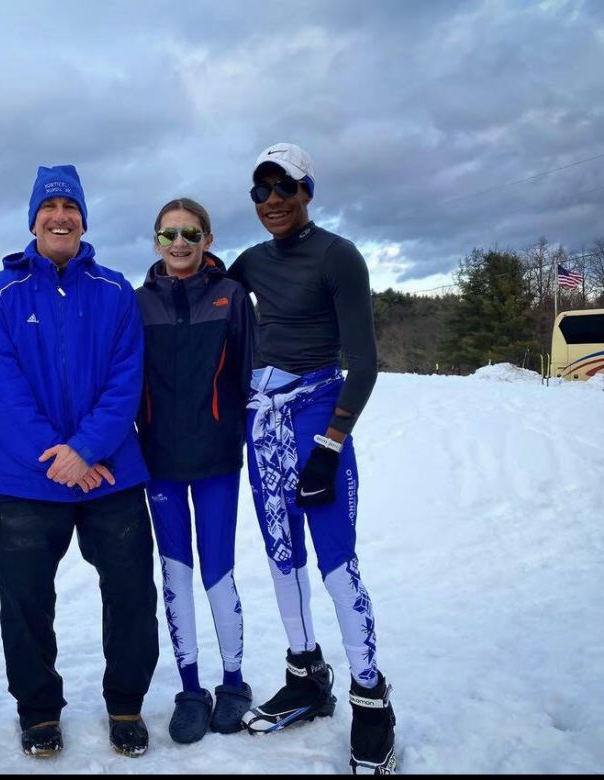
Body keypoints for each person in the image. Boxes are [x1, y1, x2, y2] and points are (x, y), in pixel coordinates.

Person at [0, 164, 159, 758]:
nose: (60, 217)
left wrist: (87, 450)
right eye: (49, 207)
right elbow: (1, 391)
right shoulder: (0, 295)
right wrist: (58, 458)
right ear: (33, 219)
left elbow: (126, 379)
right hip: (28, 478)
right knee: (27, 600)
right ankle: (38, 712)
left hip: (110, 473)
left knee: (131, 592)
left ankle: (126, 704)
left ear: (84, 219)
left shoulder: (114, 291)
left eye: (71, 208)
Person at [227, 143, 396, 774]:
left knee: (335, 561)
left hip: (315, 415)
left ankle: (372, 699)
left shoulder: (337, 255)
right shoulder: (248, 262)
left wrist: (329, 445)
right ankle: (306, 675)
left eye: (284, 188)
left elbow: (366, 365)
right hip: (261, 421)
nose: (272, 201)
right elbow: (199, 293)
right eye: (260, 191)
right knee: (280, 556)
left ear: (307, 191)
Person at [134, 198, 255, 744]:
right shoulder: (137, 304)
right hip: (160, 460)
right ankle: (190, 687)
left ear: (207, 238)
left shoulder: (231, 297)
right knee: (175, 571)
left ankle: (233, 682)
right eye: (168, 235)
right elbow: (125, 382)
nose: (179, 243)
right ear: (155, 241)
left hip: (215, 458)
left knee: (218, 570)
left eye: (190, 233)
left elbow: (249, 375)